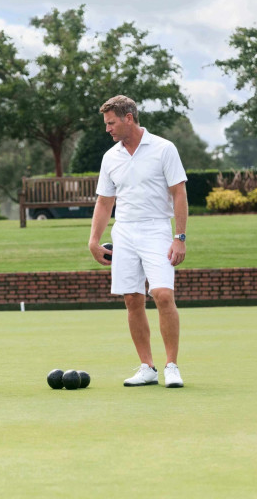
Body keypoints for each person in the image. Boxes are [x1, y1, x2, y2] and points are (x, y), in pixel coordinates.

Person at [88, 95, 188, 389]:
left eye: (111, 122)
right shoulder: (111, 157)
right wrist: (94, 241)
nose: (107, 129)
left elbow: (179, 193)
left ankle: (172, 366)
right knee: (132, 299)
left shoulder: (163, 148)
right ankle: (148, 367)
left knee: (163, 294)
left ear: (128, 118)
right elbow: (105, 202)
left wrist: (179, 237)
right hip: (125, 232)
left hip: (157, 229)